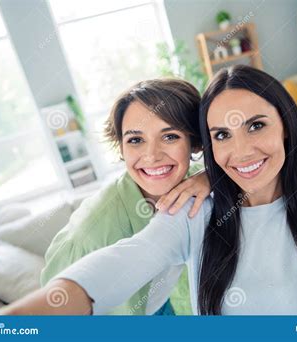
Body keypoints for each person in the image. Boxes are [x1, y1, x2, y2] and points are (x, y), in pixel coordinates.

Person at [0, 65, 297, 316]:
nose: (239, 149)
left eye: (255, 125)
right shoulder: (190, 213)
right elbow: (106, 272)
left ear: (287, 127)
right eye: (222, 134)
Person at [39, 78, 210, 315]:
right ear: (121, 147)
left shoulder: (197, 184)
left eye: (169, 136)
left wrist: (212, 177)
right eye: (135, 140)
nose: (151, 156)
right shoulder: (90, 236)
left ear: (194, 143)